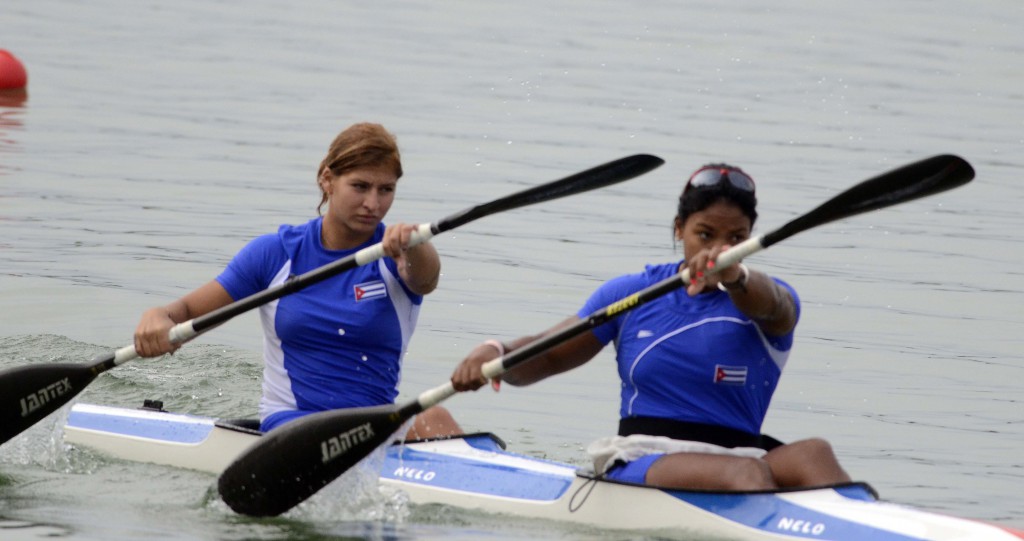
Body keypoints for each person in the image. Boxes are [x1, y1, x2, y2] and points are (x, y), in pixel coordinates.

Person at [451, 163, 850, 490]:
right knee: (748, 476)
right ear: (679, 229)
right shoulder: (633, 293)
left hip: (742, 459)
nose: (718, 249)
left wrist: (737, 275)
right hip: (646, 458)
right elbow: (550, 354)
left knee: (813, 452)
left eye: (736, 239)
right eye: (705, 235)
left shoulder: (771, 300)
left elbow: (772, 303)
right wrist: (496, 353)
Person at [135, 122, 462, 440]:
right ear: (327, 180)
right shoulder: (275, 254)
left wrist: (418, 244)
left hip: (373, 426)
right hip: (291, 427)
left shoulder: (399, 255)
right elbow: (186, 312)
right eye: (360, 186)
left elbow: (426, 279)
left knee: (437, 418)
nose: (373, 204)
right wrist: (158, 318)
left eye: (385, 190)